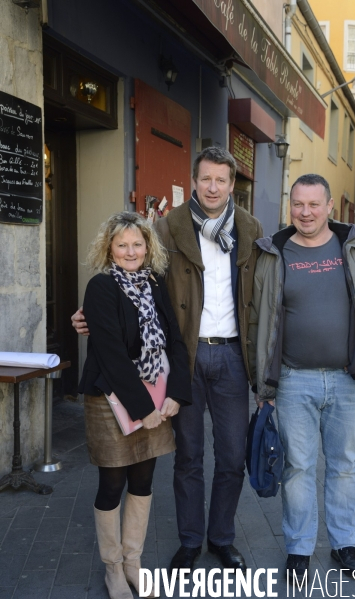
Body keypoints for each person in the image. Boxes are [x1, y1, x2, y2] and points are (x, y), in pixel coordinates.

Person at [73, 147, 263, 574]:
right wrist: (87, 316)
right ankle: (191, 541)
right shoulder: (166, 227)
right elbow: (135, 281)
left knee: (232, 457)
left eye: (221, 180)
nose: (212, 187)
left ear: (232, 185)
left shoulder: (250, 229)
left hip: (233, 354)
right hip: (187, 355)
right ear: (194, 181)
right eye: (205, 178)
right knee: (188, 456)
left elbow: (264, 293)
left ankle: (223, 538)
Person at [248, 174, 355, 584]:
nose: (306, 212)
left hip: (349, 381)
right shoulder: (272, 254)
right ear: (289, 205)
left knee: (345, 466)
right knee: (298, 468)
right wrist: (263, 384)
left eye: (314, 204)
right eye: (298, 204)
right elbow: (257, 320)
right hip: (294, 381)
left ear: (330, 206)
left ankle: (344, 544)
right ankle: (299, 547)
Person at [78, 212, 191, 599]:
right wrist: (146, 410)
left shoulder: (155, 284)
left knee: (142, 482)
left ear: (148, 246)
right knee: (112, 485)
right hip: (113, 398)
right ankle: (112, 568)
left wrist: (176, 392)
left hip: (157, 396)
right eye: (122, 244)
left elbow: (175, 339)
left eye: (137, 244)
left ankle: (133, 563)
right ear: (109, 247)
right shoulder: (100, 287)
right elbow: (109, 354)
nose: (130, 251)